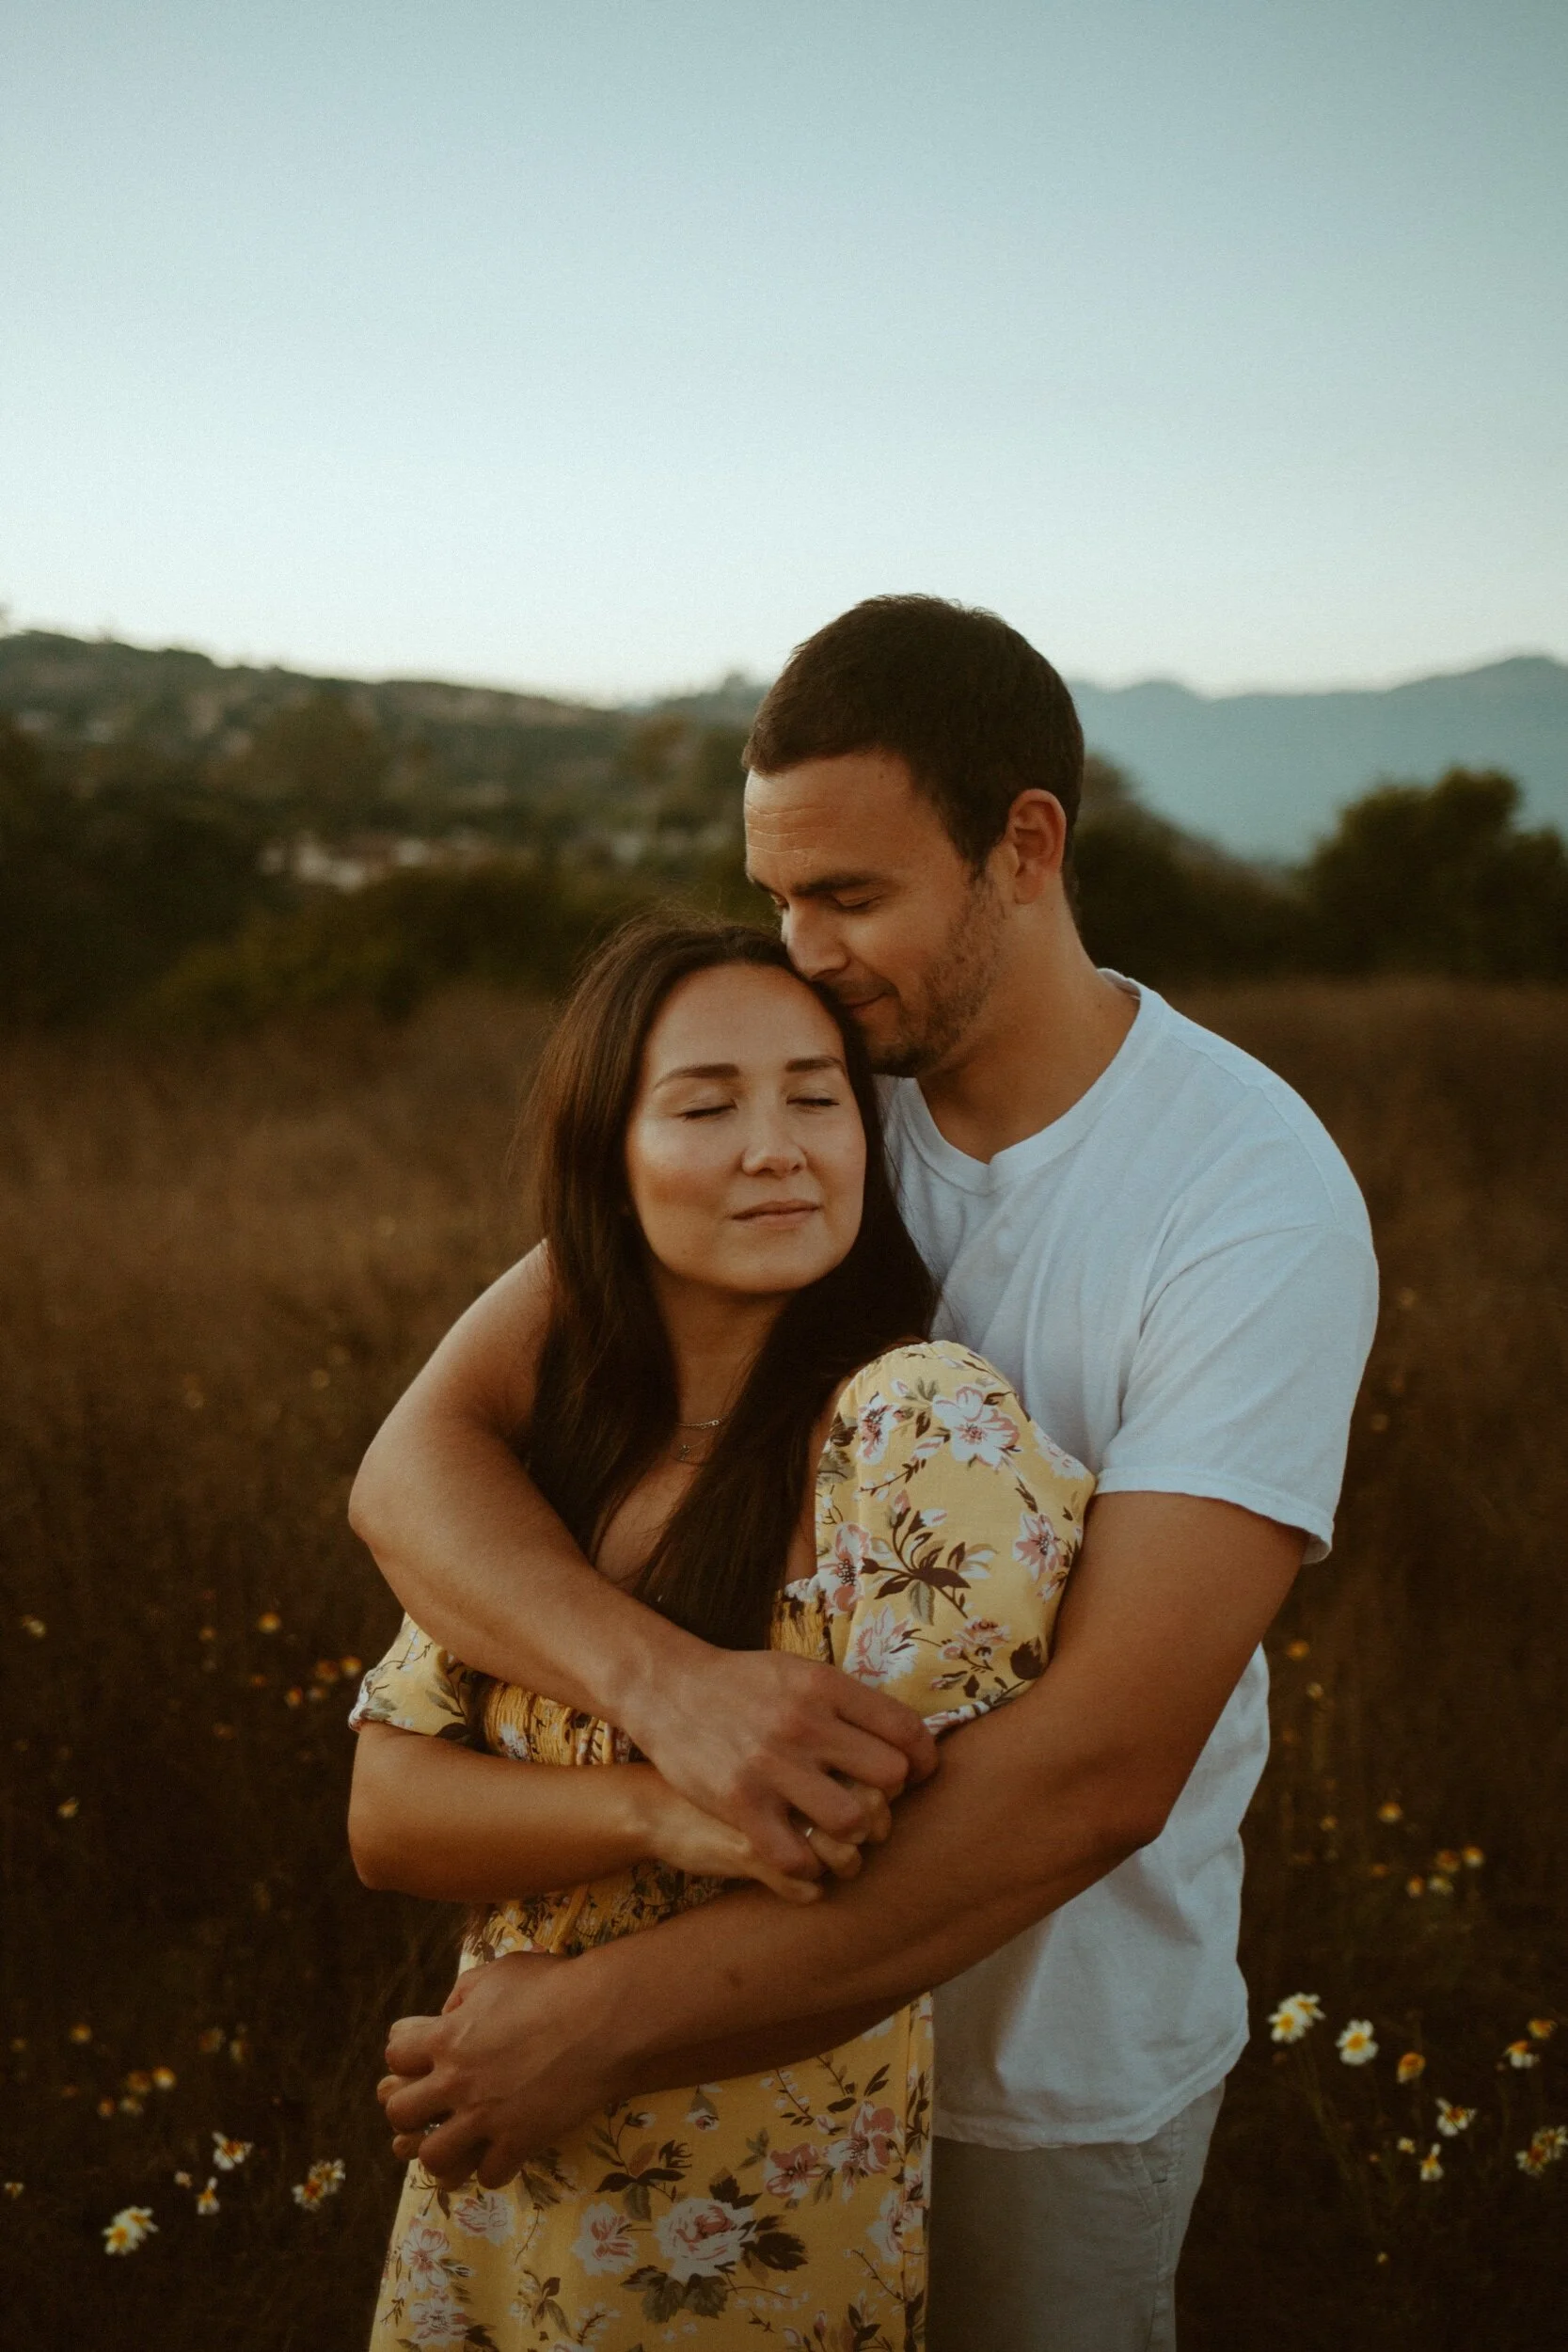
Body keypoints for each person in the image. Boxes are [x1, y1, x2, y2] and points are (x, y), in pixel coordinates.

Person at [355, 596, 1379, 2350]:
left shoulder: (1247, 1199)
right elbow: (414, 1461)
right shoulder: (810, 1101)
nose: (803, 951)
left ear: (1024, 847)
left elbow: (1101, 1770)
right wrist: (668, 1697)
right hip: (711, 2095)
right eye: (776, 896)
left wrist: (607, 2016)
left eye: (847, 896)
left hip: (1032, 2072)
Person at [347, 913, 1092, 2347]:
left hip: (760, 2213)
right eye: (705, 1107)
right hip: (497, 2160)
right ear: (606, 1160)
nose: (776, 1149)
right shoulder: (554, 1445)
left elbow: (922, 1870)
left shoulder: (913, 1427)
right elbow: (387, 1812)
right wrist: (662, 1808)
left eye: (816, 1097)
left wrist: (594, 2011)